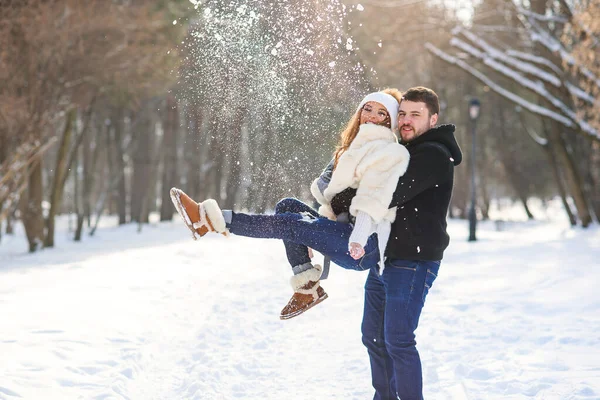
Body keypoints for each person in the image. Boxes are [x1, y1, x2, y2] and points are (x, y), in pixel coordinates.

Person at [169, 89, 404, 319]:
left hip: (364, 242)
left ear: (389, 121)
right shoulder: (351, 149)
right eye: (368, 108)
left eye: (381, 113)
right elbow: (330, 195)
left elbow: (371, 203)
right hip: (343, 228)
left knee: (291, 224)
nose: (371, 116)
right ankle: (307, 289)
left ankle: (211, 220)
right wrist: (316, 231)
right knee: (288, 206)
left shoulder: (385, 152)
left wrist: (353, 238)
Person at [328, 86, 462, 400]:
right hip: (386, 258)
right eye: (402, 113)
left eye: (415, 115)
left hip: (413, 262)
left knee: (398, 340)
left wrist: (340, 198)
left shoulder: (433, 154)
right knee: (373, 337)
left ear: (432, 119)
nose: (406, 120)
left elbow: (387, 193)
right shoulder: (404, 148)